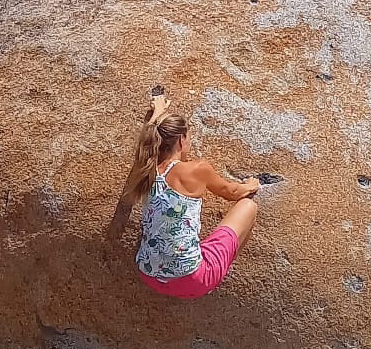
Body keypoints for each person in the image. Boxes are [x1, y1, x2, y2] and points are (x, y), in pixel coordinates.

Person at [107, 90, 259, 299]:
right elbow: (232, 192)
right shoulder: (197, 169)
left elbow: (146, 144)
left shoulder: (146, 170)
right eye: (188, 138)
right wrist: (250, 185)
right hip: (191, 280)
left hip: (149, 274)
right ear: (180, 141)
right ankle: (219, 272)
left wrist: (156, 116)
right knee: (248, 207)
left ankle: (205, 264)